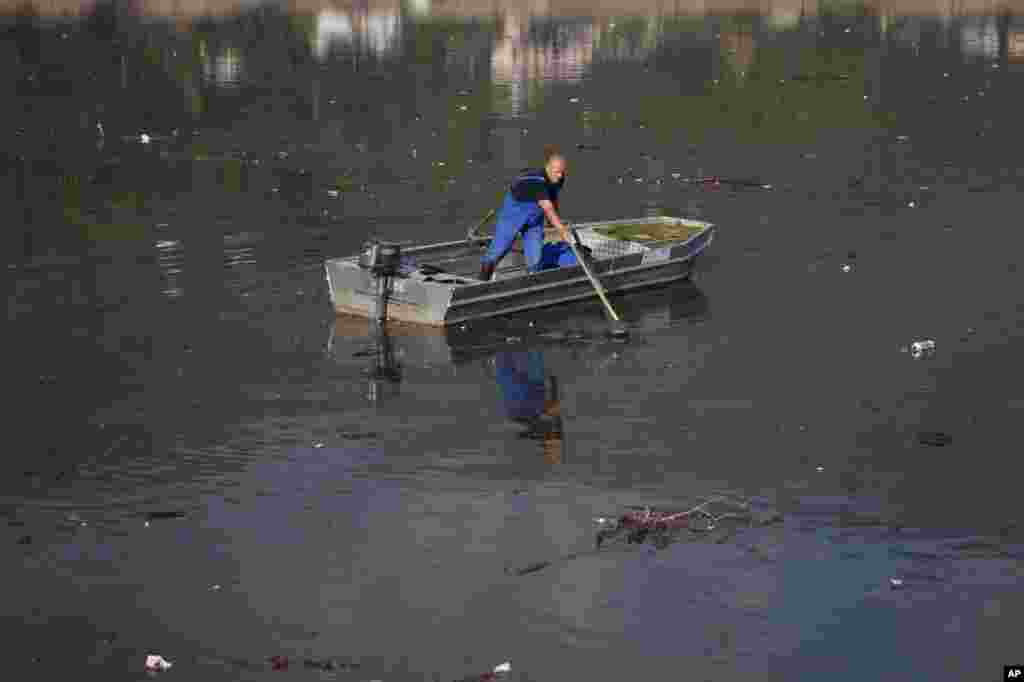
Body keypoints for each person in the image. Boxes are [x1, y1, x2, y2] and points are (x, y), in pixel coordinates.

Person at [480, 145, 578, 281]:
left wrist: (554, 222)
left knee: (535, 258)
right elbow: (548, 208)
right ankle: (482, 282)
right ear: (548, 168)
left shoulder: (558, 178)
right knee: (499, 249)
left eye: (562, 172)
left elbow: (553, 198)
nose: (560, 176)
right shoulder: (537, 181)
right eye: (557, 172)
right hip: (513, 215)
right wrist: (562, 231)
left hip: (534, 219)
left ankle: (532, 283)